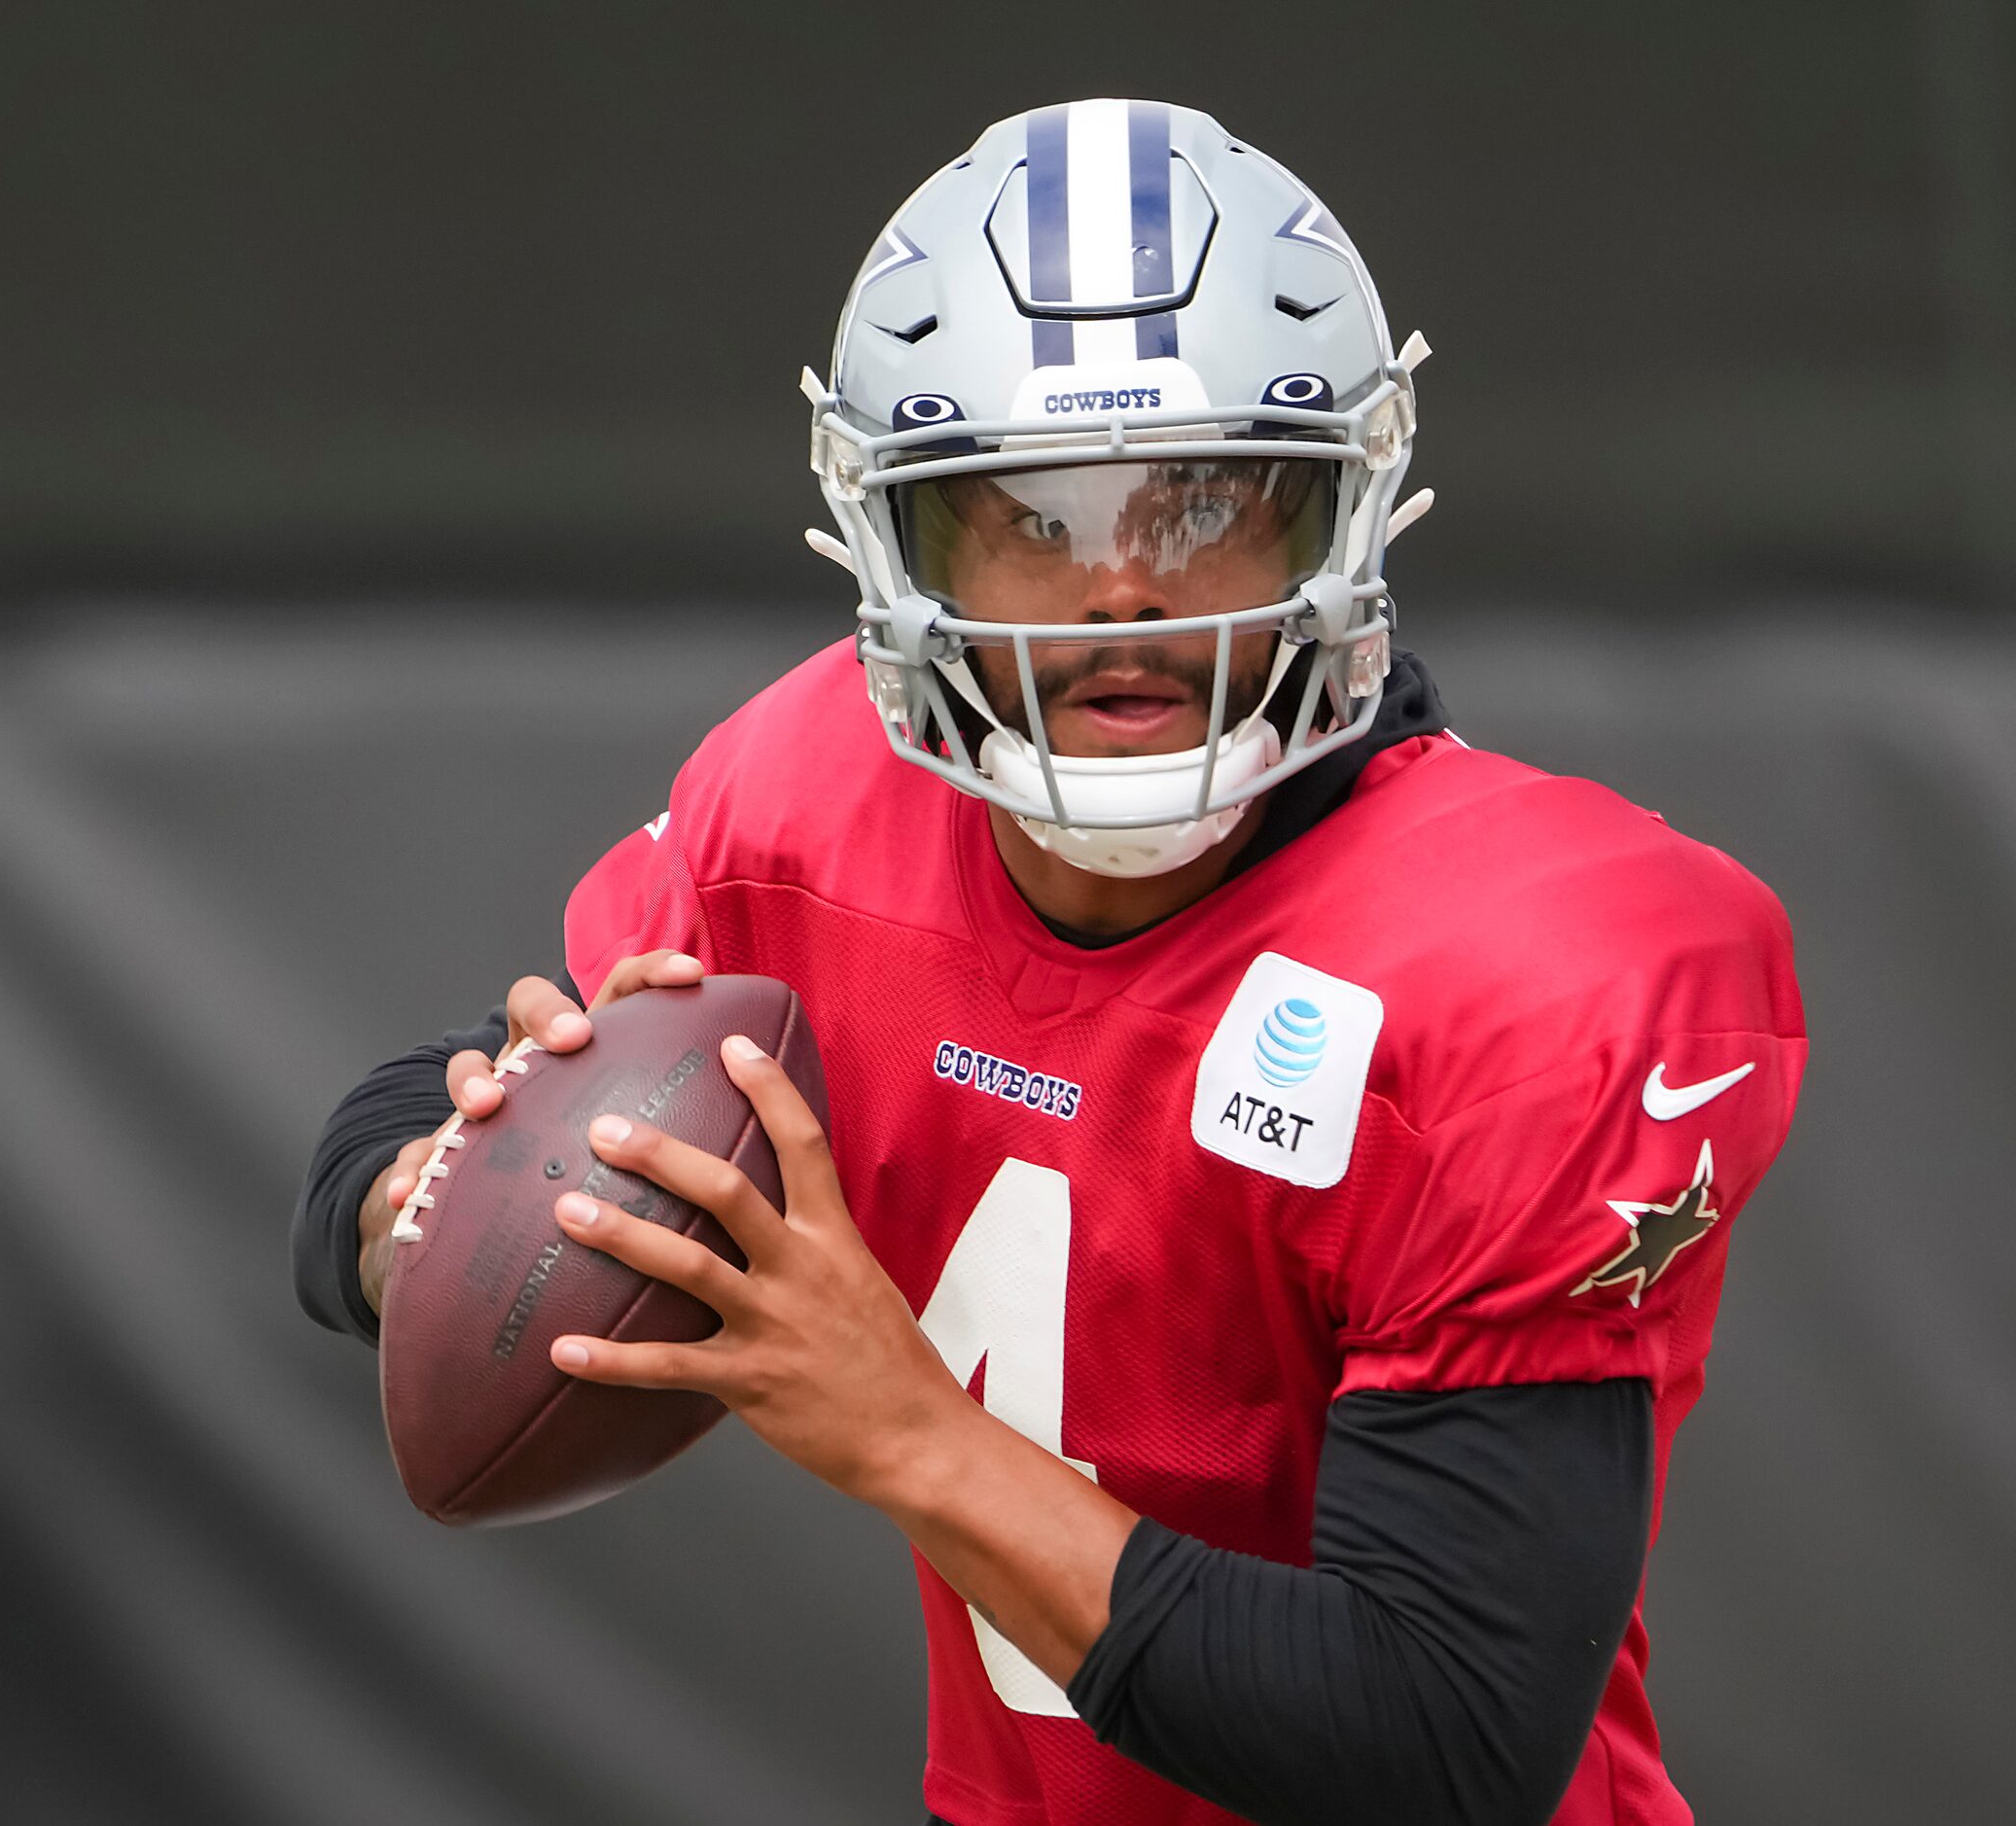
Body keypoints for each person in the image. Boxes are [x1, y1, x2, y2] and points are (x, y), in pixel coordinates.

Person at [295, 98, 1805, 1826]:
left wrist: (908, 1433)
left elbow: (1441, 1743)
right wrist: (432, 1186)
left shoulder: (1543, 968)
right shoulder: (804, 808)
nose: (1119, 592)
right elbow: (417, 1110)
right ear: (890, 539)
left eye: (1204, 504)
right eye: (1031, 514)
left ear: (1341, 514)